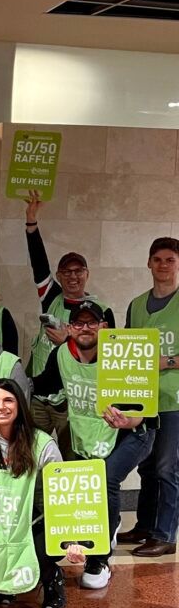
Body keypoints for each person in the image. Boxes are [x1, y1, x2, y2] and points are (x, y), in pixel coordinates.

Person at [31, 302, 156, 589]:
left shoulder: (123, 354)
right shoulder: (61, 354)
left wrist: (128, 421)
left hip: (132, 432)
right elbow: (44, 384)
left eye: (92, 322)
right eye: (78, 323)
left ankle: (100, 560)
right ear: (70, 328)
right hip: (87, 434)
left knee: (106, 480)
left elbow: (144, 408)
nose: (85, 328)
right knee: (83, 486)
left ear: (104, 327)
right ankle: (105, 526)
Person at [0, 379, 74, 608]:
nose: (1, 407)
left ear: (19, 405)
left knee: (45, 548)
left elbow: (62, 491)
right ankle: (1, 585)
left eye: (8, 400)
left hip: (33, 516)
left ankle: (52, 577)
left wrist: (71, 538)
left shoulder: (42, 443)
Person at [24, 192, 115, 460]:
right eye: (67, 271)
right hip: (39, 395)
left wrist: (67, 341)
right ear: (59, 275)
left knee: (70, 460)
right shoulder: (51, 296)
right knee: (30, 455)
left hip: (71, 398)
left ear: (87, 274)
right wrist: (31, 222)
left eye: (78, 271)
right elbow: (38, 262)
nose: (73, 276)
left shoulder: (102, 311)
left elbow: (104, 358)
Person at [118, 237, 179, 557]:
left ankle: (165, 534)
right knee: (147, 467)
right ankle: (144, 526)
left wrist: (165, 362)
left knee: (169, 468)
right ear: (148, 263)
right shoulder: (136, 304)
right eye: (158, 259)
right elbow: (128, 350)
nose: (163, 265)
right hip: (145, 399)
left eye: (170, 260)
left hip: (174, 400)